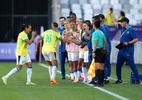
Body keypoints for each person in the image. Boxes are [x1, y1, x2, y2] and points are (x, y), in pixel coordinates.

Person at [110, 13, 142, 84]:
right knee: (118, 65)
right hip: (121, 50)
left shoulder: (131, 30)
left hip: (128, 51)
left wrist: (128, 43)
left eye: (122, 22)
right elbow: (114, 23)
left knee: (132, 65)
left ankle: (138, 79)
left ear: (125, 22)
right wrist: (110, 15)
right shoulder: (122, 28)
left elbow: (136, 39)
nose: (121, 23)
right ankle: (119, 79)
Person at [92, 21, 107, 87]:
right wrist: (104, 49)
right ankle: (101, 82)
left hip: (97, 50)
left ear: (94, 26)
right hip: (102, 50)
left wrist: (94, 51)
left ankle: (99, 82)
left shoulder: (95, 33)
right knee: (102, 67)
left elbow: (95, 42)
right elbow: (105, 42)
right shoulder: (102, 32)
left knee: (98, 67)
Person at [99, 14, 112, 84]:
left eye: (100, 19)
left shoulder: (104, 27)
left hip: (106, 47)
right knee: (105, 63)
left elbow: (106, 39)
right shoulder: (103, 27)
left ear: (103, 19)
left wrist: (107, 49)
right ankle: (106, 77)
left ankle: (107, 77)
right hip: (105, 47)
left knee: (105, 63)